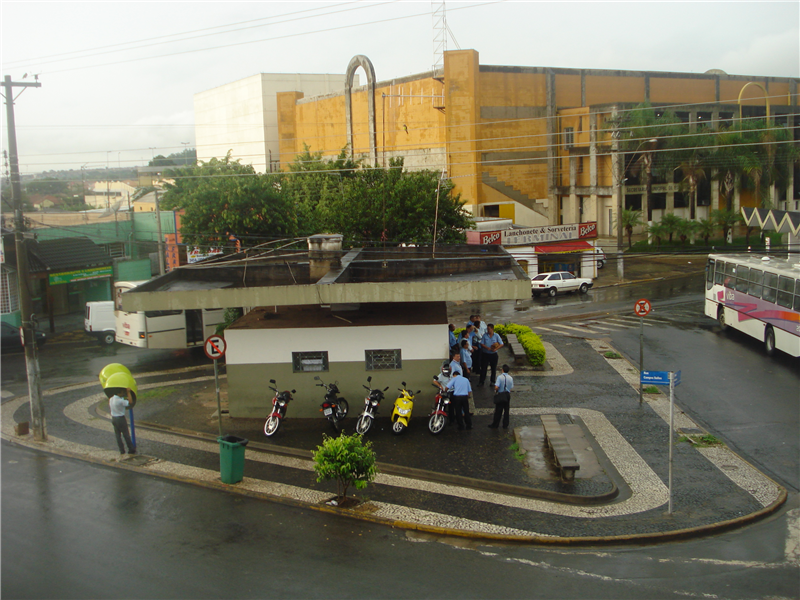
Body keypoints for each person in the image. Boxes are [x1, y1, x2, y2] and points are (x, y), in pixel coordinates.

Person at [110, 388, 136, 456]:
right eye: (122, 392)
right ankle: (131, 449)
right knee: (126, 434)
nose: (123, 394)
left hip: (113, 418)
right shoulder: (120, 401)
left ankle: (122, 450)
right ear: (119, 393)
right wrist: (128, 393)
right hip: (120, 419)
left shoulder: (111, 399)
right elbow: (130, 402)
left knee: (118, 436)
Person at [489, 364, 514, 429]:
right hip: (507, 394)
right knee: (506, 410)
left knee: (498, 411)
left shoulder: (500, 377)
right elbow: (511, 388)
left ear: (502, 370)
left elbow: (496, 387)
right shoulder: (510, 378)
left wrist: (495, 390)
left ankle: (495, 424)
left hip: (501, 394)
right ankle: (505, 424)